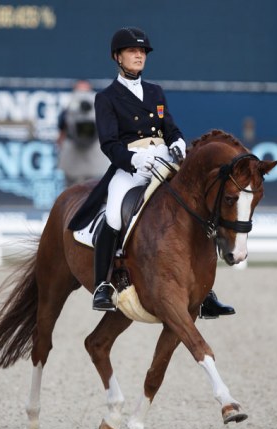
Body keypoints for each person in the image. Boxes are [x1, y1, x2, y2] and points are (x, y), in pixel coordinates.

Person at [69, 26, 234, 318]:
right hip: (131, 166)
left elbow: (169, 127)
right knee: (113, 213)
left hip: (163, 159)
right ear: (117, 57)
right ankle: (103, 286)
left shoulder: (155, 92)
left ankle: (204, 292)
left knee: (197, 207)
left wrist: (179, 141)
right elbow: (108, 143)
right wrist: (133, 160)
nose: (139, 55)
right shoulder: (106, 98)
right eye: (133, 51)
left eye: (142, 51)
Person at [57, 80, 109, 186]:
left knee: (94, 190)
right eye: (79, 92)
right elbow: (62, 131)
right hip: (73, 155)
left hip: (95, 156)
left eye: (85, 92)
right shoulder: (68, 110)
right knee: (71, 193)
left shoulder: (100, 109)